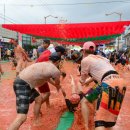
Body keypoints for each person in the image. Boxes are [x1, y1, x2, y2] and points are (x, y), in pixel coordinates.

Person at [72, 41, 126, 130]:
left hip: (107, 83)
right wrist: (87, 81)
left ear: (83, 51)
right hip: (119, 83)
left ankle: (90, 124)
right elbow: (99, 75)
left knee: (100, 122)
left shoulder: (85, 61)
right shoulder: (101, 58)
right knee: (108, 120)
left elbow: (82, 80)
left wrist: (81, 83)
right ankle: (89, 124)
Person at [8, 52, 66, 130]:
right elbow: (57, 83)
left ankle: (36, 120)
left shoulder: (45, 64)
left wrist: (57, 85)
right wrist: (60, 86)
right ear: (58, 61)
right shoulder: (55, 71)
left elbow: (47, 78)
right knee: (22, 116)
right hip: (23, 85)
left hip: (23, 82)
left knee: (38, 99)